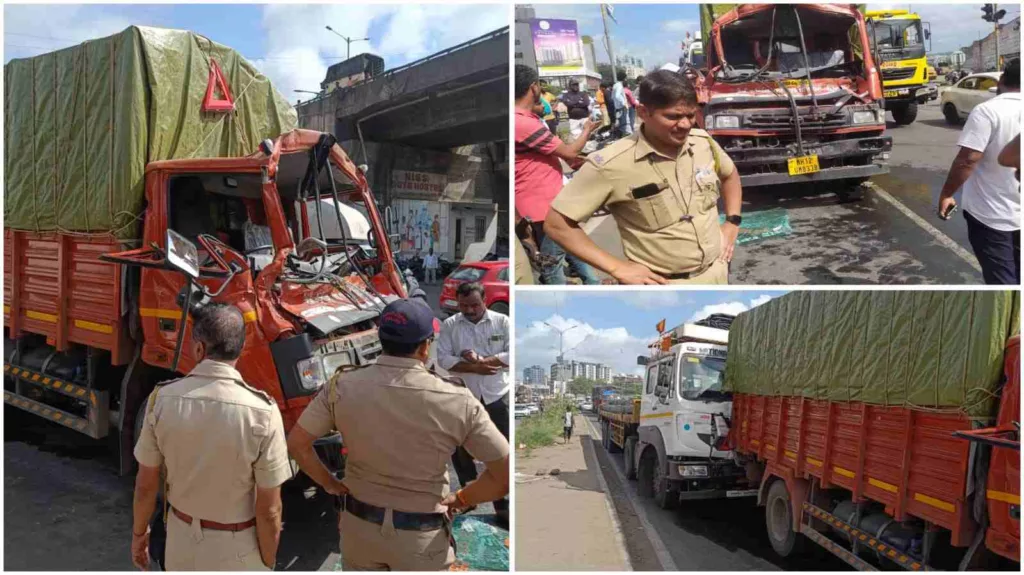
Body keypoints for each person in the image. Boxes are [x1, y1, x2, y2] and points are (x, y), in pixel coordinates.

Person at [286, 298, 509, 571]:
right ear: (426, 346)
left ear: (382, 340)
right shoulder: (457, 399)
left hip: (359, 532)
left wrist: (330, 484)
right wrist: (461, 499)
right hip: (421, 540)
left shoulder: (342, 384)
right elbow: (503, 473)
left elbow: (297, 444)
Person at [544, 70, 743, 285]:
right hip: (663, 286)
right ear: (643, 113)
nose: (685, 124)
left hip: (717, 273)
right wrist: (617, 267)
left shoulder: (702, 142)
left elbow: (730, 175)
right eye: (673, 116)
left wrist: (732, 222)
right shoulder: (610, 164)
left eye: (690, 115)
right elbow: (557, 224)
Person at [132, 304, 290, 571]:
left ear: (198, 349)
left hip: (180, 545)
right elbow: (270, 510)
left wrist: (139, 536)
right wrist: (267, 561)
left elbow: (146, 487)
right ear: (241, 349)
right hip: (239, 549)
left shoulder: (161, 400)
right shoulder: (263, 412)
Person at [514, 64, 602, 285]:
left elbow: (558, 155)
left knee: (578, 253)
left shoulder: (523, 119)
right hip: (545, 207)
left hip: (549, 203)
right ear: (533, 87)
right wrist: (587, 130)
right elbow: (570, 151)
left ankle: (594, 284)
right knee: (553, 267)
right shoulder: (522, 123)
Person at [938, 58, 1021, 285]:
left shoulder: (987, 111)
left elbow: (968, 160)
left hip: (992, 216)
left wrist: (946, 194)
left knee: (1002, 283)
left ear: (1002, 81)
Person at [437, 282, 511, 521]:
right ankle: (468, 497)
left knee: (501, 451)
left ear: (485, 300)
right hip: (463, 396)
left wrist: (484, 360)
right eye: (463, 305)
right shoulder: (450, 325)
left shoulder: (502, 322)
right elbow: (444, 359)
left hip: (496, 394)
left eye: (474, 305)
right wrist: (475, 368)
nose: (469, 310)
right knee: (460, 449)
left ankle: (503, 503)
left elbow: (511, 354)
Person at [613, 70, 633, 136]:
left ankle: (623, 136)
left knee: (621, 123)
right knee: (626, 122)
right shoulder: (619, 86)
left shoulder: (615, 85)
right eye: (626, 78)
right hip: (622, 107)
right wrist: (624, 103)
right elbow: (617, 95)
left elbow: (613, 97)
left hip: (617, 108)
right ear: (624, 78)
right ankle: (630, 136)